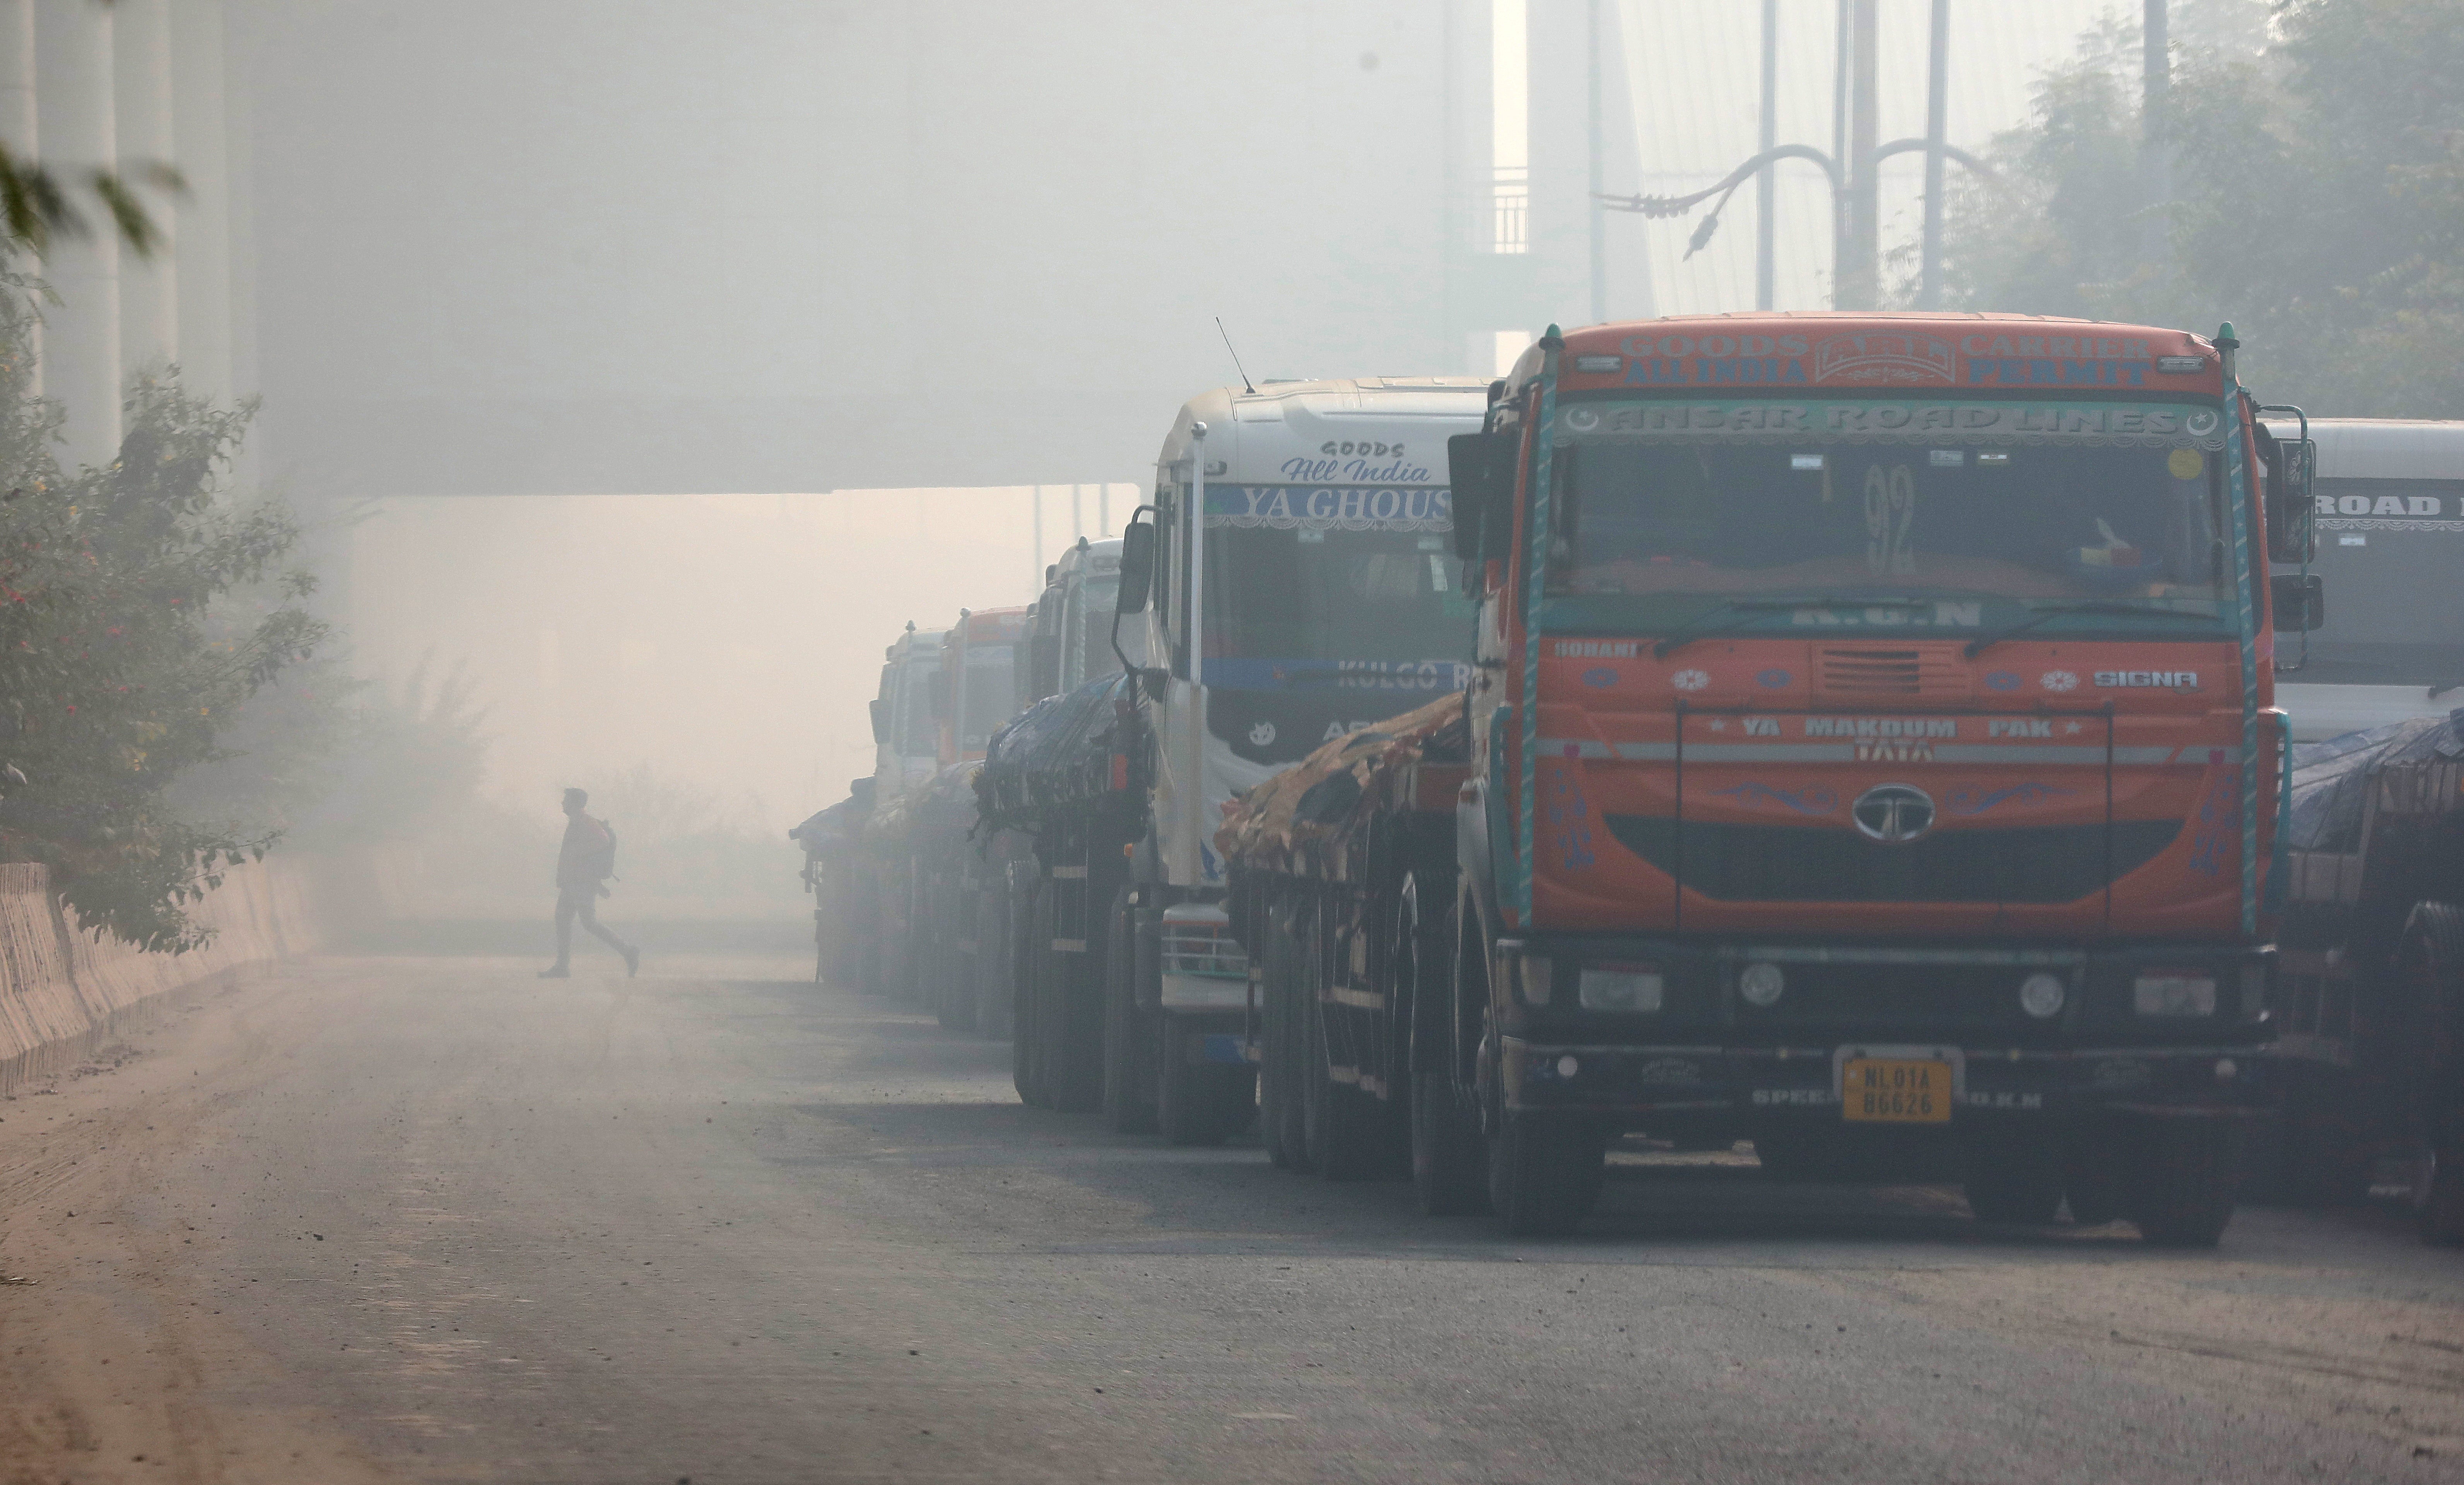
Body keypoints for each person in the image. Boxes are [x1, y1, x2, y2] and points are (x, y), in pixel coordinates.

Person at [541, 787, 639, 978]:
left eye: (566, 800)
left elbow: (603, 842)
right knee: (563, 920)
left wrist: (583, 857)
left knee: (589, 923)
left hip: (582, 883)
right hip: (573, 883)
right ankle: (562, 967)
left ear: (575, 804)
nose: (563, 804)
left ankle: (628, 952)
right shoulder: (577, 823)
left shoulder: (587, 823)